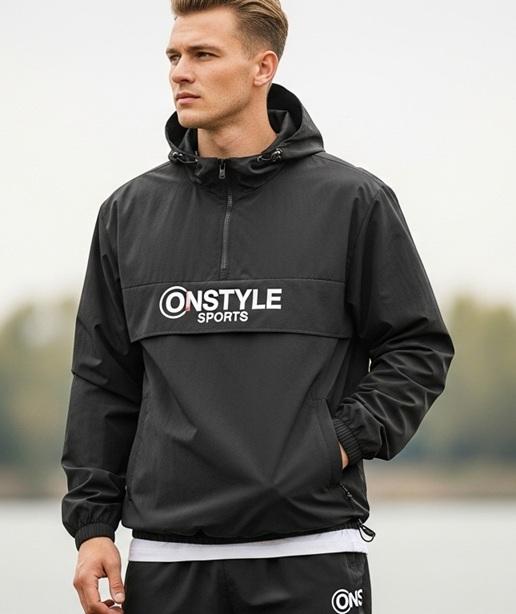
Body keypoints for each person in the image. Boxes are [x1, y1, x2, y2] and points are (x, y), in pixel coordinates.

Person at [60, 1, 455, 612]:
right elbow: (102, 380)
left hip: (311, 551)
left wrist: (337, 441)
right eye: (174, 56)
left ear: (262, 67)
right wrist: (92, 529)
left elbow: (418, 349)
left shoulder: (354, 201)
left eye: (203, 54)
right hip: (167, 556)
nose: (180, 72)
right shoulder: (127, 213)